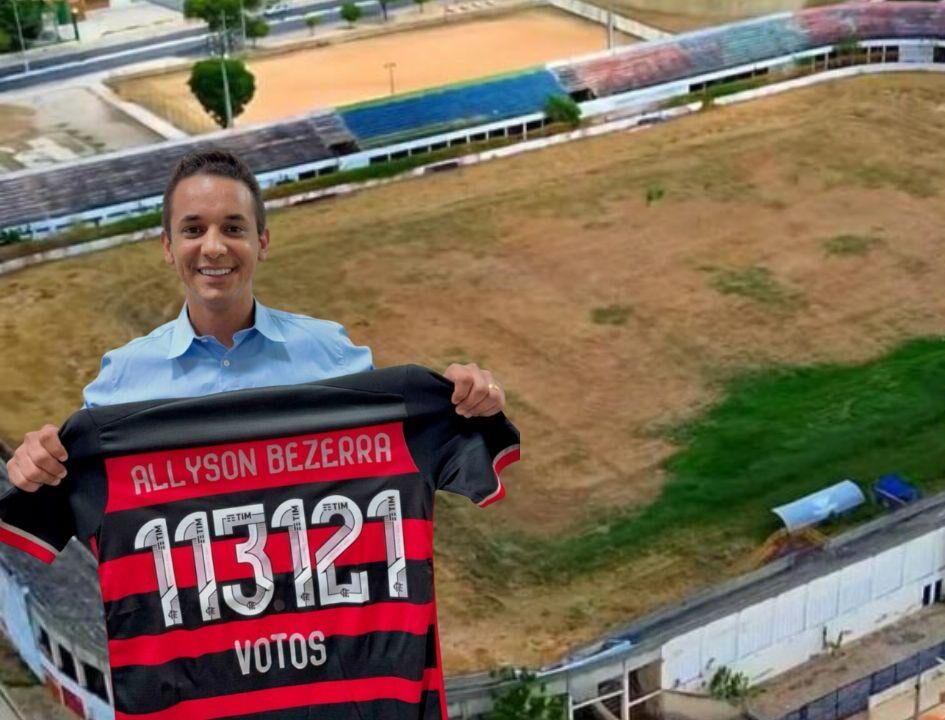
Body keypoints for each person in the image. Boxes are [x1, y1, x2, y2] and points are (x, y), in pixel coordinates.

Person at [8, 148, 506, 493]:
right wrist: (34, 467)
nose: (213, 247)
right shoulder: (120, 382)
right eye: (193, 230)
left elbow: (407, 452)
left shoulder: (332, 353)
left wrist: (466, 403)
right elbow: (71, 493)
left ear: (261, 242)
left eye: (233, 228)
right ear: (168, 246)